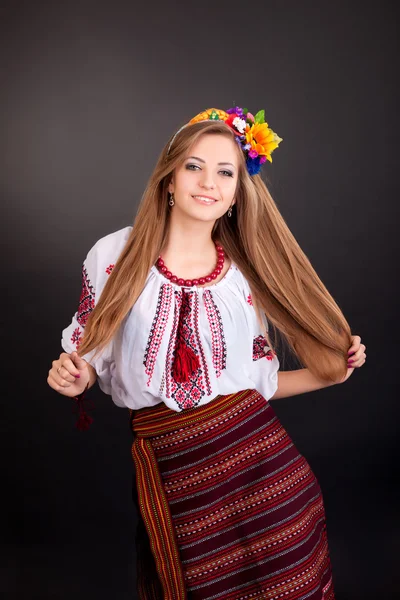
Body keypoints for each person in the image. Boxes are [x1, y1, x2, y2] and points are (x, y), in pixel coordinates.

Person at [48, 106, 366, 600]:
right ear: (168, 178)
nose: (208, 182)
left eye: (225, 172)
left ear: (238, 192)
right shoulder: (114, 256)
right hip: (175, 472)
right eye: (194, 166)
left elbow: (257, 384)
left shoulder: (246, 276)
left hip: (268, 475)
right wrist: (77, 376)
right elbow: (91, 352)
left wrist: (333, 374)